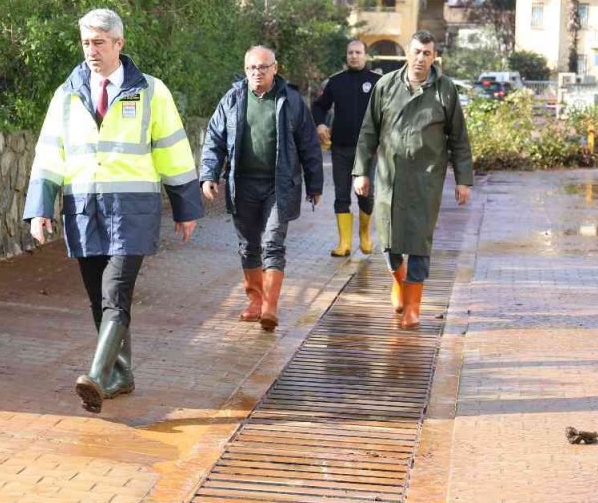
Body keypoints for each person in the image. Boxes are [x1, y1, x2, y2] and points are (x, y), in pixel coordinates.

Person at [24, 9, 203, 414]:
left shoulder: (151, 91)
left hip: (132, 209)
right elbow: (49, 153)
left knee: (115, 293)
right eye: (86, 43)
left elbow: (173, 149)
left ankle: (96, 375)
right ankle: (121, 374)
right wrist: (40, 208)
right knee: (97, 298)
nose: (92, 51)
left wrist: (185, 206)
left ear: (119, 44)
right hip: (84, 209)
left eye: (100, 43)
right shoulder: (67, 94)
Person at [353, 30, 473, 329]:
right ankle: (399, 280)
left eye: (427, 53)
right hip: (389, 176)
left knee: (419, 241)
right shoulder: (385, 85)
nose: (421, 58)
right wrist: (360, 171)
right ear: (408, 52)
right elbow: (368, 132)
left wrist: (463, 180)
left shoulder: (445, 89)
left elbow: (459, 138)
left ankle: (413, 307)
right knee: (388, 239)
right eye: (417, 51)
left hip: (426, 178)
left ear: (434, 57)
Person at [200, 46, 323, 332]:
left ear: (275, 68)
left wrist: (315, 184)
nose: (258, 72)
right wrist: (209, 175)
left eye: (263, 67)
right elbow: (215, 139)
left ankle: (270, 306)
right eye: (252, 68)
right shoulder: (233, 99)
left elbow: (309, 144)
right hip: (242, 184)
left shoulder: (291, 100)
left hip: (278, 186)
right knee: (248, 246)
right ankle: (255, 301)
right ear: (246, 70)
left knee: (273, 243)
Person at [312, 38, 382, 257]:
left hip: (367, 150)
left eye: (358, 52)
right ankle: (344, 243)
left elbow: (388, 112)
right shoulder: (336, 82)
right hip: (341, 148)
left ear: (365, 55)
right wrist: (320, 123)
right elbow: (319, 106)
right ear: (346, 55)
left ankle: (365, 234)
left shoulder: (377, 82)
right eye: (350, 52)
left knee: (365, 194)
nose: (354, 56)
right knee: (341, 194)